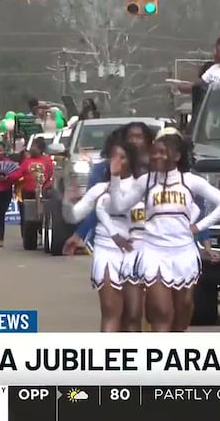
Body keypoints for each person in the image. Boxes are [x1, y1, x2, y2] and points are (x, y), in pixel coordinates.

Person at [105, 133, 220, 332]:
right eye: (154, 153)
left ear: (176, 156)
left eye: (162, 153)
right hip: (153, 252)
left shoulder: (190, 181)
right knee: (161, 311)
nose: (156, 157)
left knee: (183, 308)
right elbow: (118, 206)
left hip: (183, 252)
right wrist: (114, 177)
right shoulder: (145, 182)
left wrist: (198, 227)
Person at [62, 140, 147, 332]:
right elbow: (75, 215)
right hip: (106, 250)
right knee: (110, 312)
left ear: (131, 161)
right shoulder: (99, 189)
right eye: (113, 157)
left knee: (133, 317)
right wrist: (68, 198)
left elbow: (120, 206)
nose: (116, 161)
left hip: (136, 253)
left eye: (122, 157)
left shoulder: (141, 189)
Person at [63, 122, 154, 255]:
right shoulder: (102, 170)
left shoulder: (156, 171)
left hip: (148, 242)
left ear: (148, 142)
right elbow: (95, 208)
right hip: (109, 243)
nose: (135, 141)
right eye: (131, 137)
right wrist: (79, 235)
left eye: (139, 137)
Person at [8, 137, 54, 243]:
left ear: (40, 149)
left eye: (35, 147)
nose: (32, 149)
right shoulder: (26, 161)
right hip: (28, 193)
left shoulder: (47, 161)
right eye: (32, 146)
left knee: (44, 216)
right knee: (28, 218)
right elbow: (18, 174)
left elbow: (52, 175)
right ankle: (28, 240)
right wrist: (7, 178)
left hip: (43, 193)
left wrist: (46, 185)